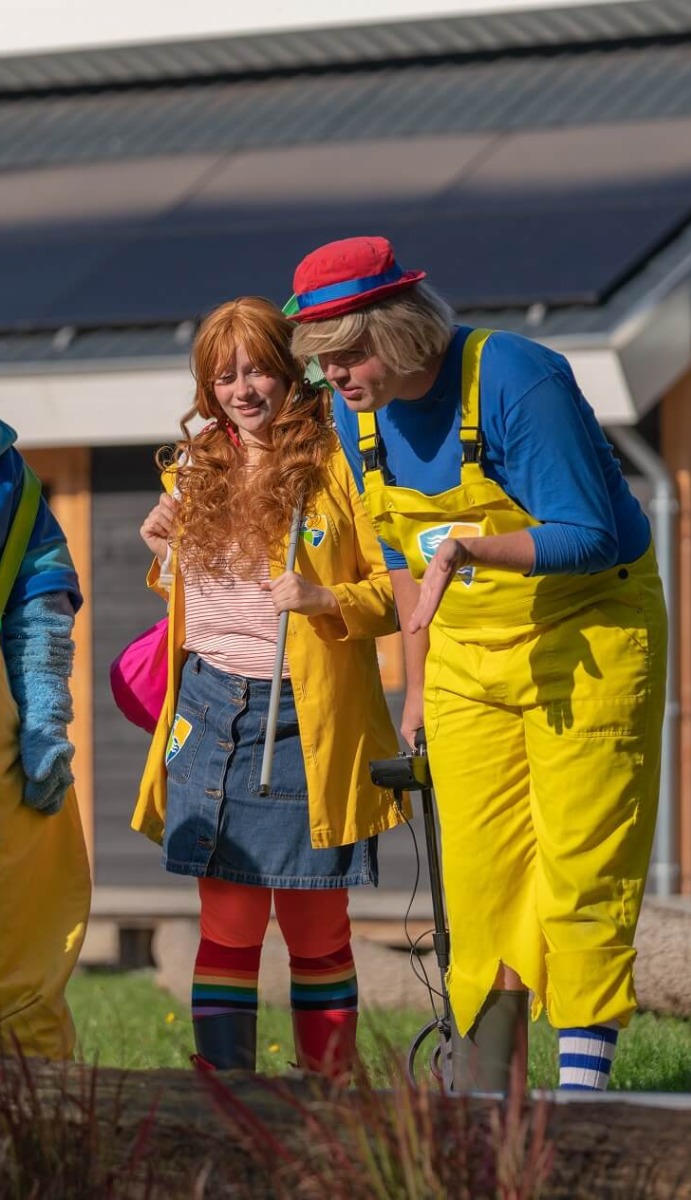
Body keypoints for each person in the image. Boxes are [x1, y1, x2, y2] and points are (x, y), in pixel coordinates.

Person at [287, 237, 668, 1093]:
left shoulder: (515, 378)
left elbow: (589, 533)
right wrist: (416, 686)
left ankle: (581, 1097)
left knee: (580, 863)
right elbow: (403, 562)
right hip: (463, 651)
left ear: (400, 329)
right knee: (480, 876)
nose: (335, 376)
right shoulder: (354, 413)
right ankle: (489, 1096)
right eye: (320, 362)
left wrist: (471, 549)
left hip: (587, 633)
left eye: (348, 353)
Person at [132, 296, 402, 1080]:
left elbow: (399, 591)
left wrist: (325, 599)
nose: (242, 390)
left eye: (257, 371)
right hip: (209, 708)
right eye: (224, 377)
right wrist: (162, 554)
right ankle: (226, 1097)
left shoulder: (340, 463)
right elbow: (199, 602)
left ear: (291, 373)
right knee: (227, 924)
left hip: (301, 720)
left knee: (317, 926)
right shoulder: (193, 470)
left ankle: (329, 1096)